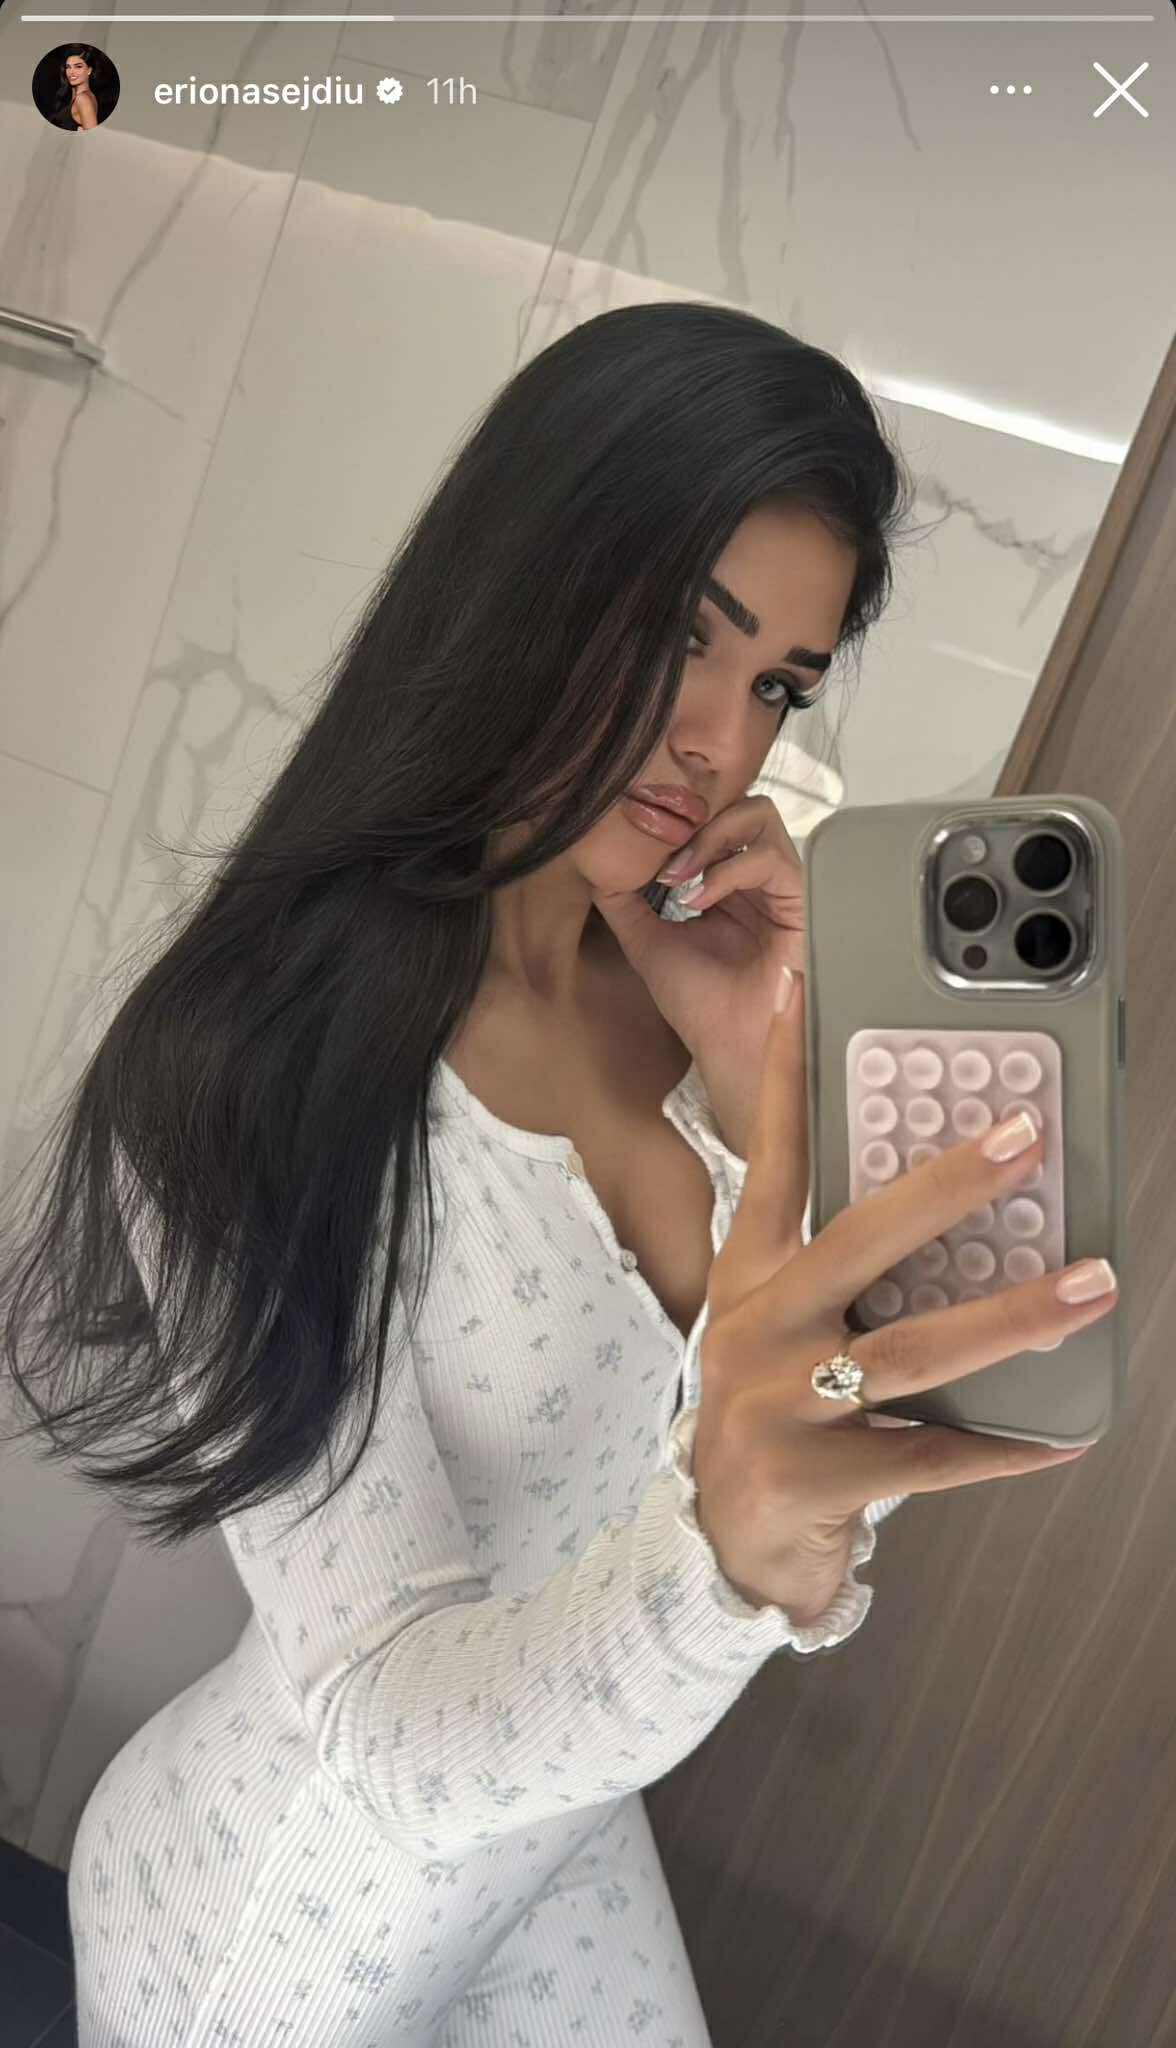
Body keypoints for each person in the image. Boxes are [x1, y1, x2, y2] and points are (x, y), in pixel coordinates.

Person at [2, 303, 1114, 2047]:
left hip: (564, 1839)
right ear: (523, 576)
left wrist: (763, 1100)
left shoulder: (698, 1009)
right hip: (278, 1921)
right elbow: (386, 1718)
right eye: (682, 635)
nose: (720, 743)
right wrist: (722, 1564)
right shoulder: (234, 1067)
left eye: (778, 685)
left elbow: (819, 1454)